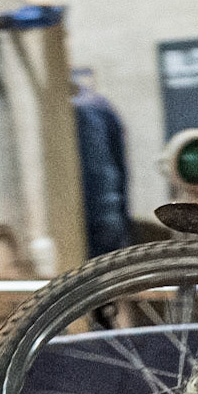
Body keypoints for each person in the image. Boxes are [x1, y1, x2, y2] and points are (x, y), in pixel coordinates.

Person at [72, 72, 132, 257]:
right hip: (105, 219)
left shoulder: (84, 110)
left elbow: (99, 173)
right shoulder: (95, 105)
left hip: (96, 225)